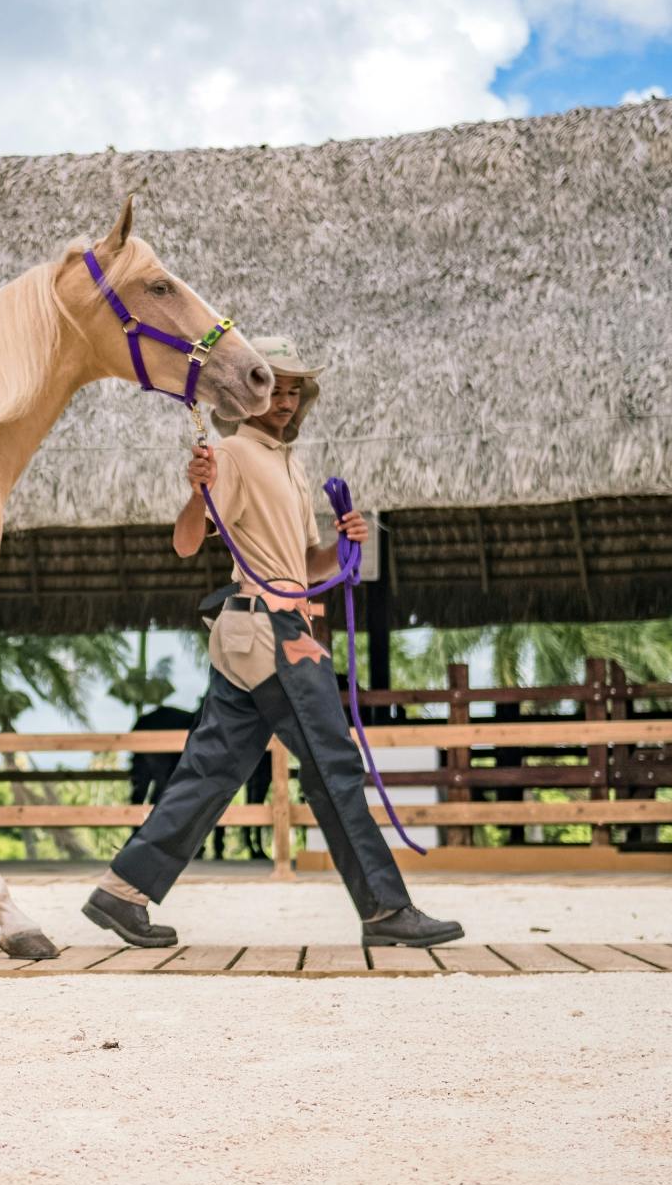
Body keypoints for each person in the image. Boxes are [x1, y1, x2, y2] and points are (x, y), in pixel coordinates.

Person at [83, 337, 464, 949]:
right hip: (270, 630)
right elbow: (186, 544)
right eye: (272, 386)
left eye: (293, 390)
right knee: (333, 763)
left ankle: (121, 893)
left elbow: (303, 565)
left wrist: (342, 545)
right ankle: (386, 909)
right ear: (246, 391)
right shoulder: (231, 453)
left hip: (256, 624)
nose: (284, 399)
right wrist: (195, 488)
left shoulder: (289, 462)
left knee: (213, 769)